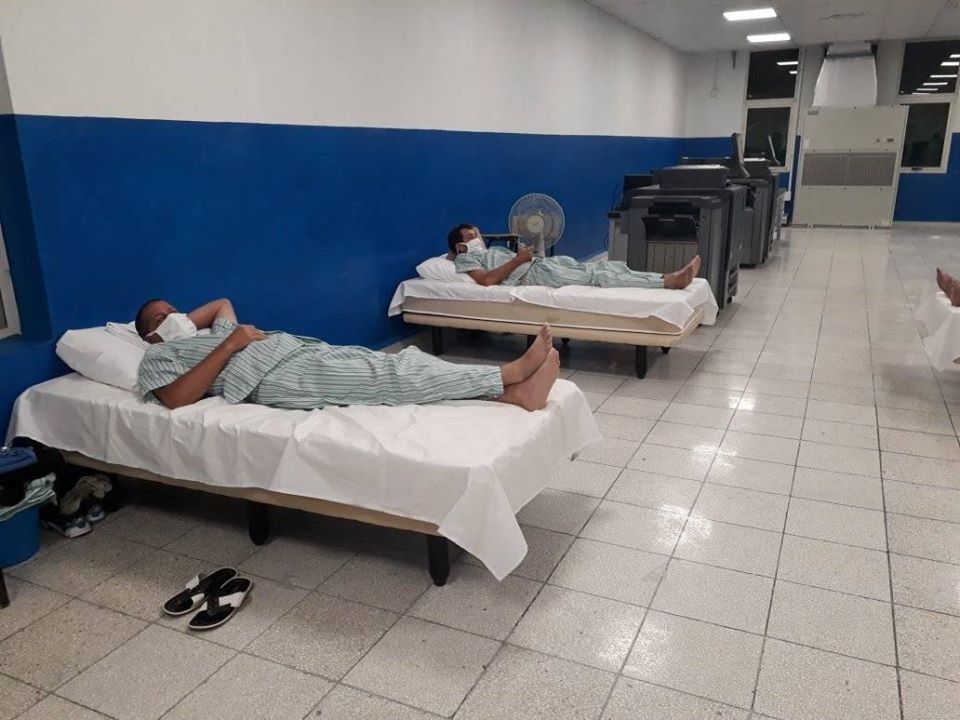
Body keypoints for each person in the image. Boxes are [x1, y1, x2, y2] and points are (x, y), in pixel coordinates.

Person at [133, 298, 559, 412]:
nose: (175, 317)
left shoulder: (208, 333)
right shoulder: (157, 358)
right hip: (274, 378)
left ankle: (511, 395)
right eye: (162, 317)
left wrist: (184, 322)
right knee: (389, 379)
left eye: (175, 310)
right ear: (148, 334)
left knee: (399, 363)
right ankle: (507, 375)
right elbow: (177, 399)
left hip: (298, 352)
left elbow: (221, 303)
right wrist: (228, 345)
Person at [445, 223, 701, 289]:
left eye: (477, 234)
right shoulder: (466, 259)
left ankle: (665, 276)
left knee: (606, 268)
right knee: (598, 278)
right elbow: (487, 281)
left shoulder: (490, 251)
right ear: (459, 246)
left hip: (545, 264)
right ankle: (668, 283)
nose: (477, 238)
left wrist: (523, 257)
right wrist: (518, 260)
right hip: (533, 274)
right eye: (470, 237)